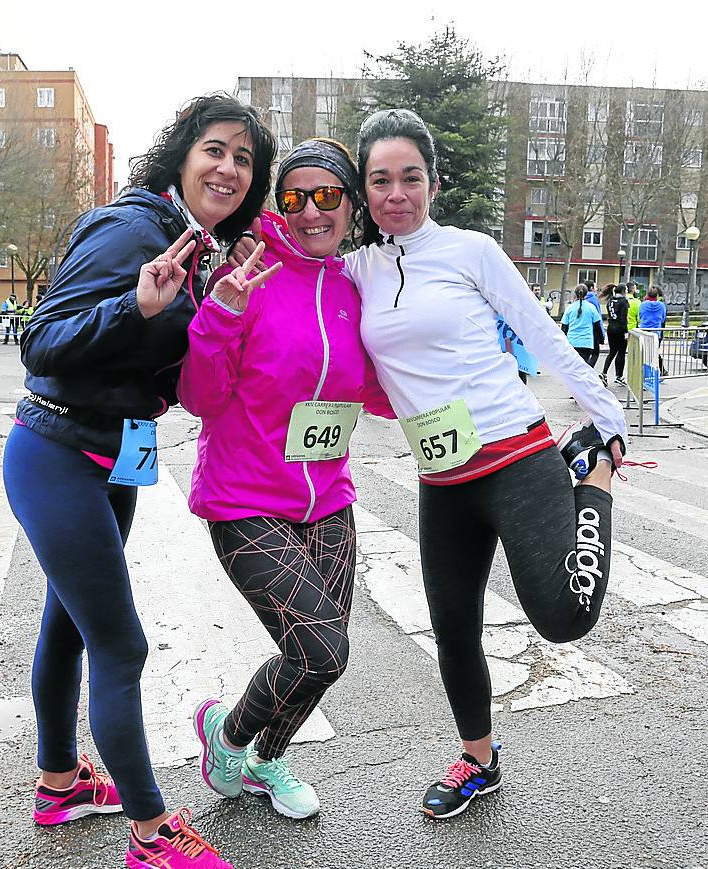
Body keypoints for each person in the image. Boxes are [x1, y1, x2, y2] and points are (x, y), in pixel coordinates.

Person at [231, 108, 628, 822]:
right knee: (452, 629)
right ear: (363, 192)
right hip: (441, 477)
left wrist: (609, 422)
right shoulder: (355, 269)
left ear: (432, 182)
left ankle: (589, 481)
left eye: (409, 177)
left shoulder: (470, 251)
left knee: (563, 617)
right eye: (379, 180)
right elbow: (296, 250)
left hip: (515, 454)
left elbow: (539, 329)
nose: (395, 194)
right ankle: (479, 759)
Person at [2, 93, 275, 869]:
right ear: (182, 157)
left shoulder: (197, 244)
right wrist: (133, 306)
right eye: (214, 150)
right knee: (121, 646)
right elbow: (41, 341)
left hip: (114, 455)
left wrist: (215, 308)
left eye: (244, 160)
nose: (227, 168)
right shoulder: (131, 228)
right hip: (56, 451)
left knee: (70, 627)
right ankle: (153, 835)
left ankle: (60, 784)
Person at [182, 139, 394, 822]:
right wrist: (223, 313)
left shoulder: (355, 284)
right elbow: (200, 396)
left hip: (327, 497)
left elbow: (379, 389)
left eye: (326, 196)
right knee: (318, 644)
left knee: (321, 658)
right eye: (294, 197)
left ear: (350, 205)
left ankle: (269, 759)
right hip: (244, 496)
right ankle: (229, 734)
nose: (309, 212)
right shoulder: (250, 269)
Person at [562, 285, 606, 365]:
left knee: (573, 366)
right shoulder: (591, 307)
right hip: (586, 342)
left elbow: (564, 327)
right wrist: (601, 339)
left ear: (575, 294)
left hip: (572, 342)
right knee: (584, 366)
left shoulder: (570, 308)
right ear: (586, 294)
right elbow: (597, 326)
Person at [600, 283, 630, 386]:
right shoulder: (623, 302)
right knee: (621, 352)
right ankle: (619, 375)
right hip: (620, 329)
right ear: (623, 291)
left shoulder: (611, 301)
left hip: (611, 328)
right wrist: (625, 331)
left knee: (612, 351)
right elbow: (623, 318)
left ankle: (604, 372)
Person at [639, 287, 667, 376]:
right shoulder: (661, 305)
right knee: (654, 353)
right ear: (657, 295)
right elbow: (663, 319)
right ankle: (656, 372)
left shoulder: (643, 305)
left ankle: (644, 373)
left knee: (644, 353)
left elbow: (640, 316)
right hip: (656, 332)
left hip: (644, 331)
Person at [583, 279, 605, 366]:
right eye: (595, 287)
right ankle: (588, 371)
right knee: (595, 353)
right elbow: (598, 317)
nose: (596, 289)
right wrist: (602, 334)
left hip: (583, 329)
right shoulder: (593, 299)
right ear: (591, 288)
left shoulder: (580, 299)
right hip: (593, 330)